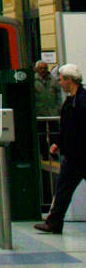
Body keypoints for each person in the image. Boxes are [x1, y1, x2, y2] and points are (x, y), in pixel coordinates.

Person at [35, 63, 86, 233]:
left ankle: (54, 222)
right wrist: (59, 143)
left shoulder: (81, 101)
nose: (60, 82)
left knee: (63, 189)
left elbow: (78, 128)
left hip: (79, 155)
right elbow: (68, 128)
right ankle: (54, 221)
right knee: (63, 189)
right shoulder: (73, 100)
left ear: (70, 80)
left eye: (62, 79)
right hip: (74, 155)